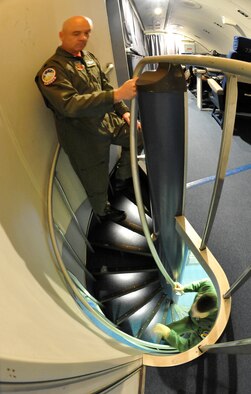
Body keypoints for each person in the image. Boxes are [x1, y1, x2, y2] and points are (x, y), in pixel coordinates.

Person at [35, 15, 142, 223]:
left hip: (105, 120)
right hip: (82, 135)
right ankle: (103, 211)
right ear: (61, 35)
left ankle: (122, 178)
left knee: (139, 135)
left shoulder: (89, 58)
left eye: (87, 33)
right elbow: (70, 105)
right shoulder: (52, 71)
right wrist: (117, 95)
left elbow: (105, 86)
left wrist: (123, 111)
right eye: (77, 33)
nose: (83, 38)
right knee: (95, 179)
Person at [153, 279, 218, 352]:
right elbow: (200, 284)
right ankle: (164, 336)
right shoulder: (209, 287)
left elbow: (188, 346)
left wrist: (169, 334)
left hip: (199, 326)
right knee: (171, 328)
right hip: (190, 321)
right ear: (200, 296)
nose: (193, 315)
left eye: (198, 315)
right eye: (193, 310)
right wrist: (184, 288)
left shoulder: (211, 325)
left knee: (169, 332)